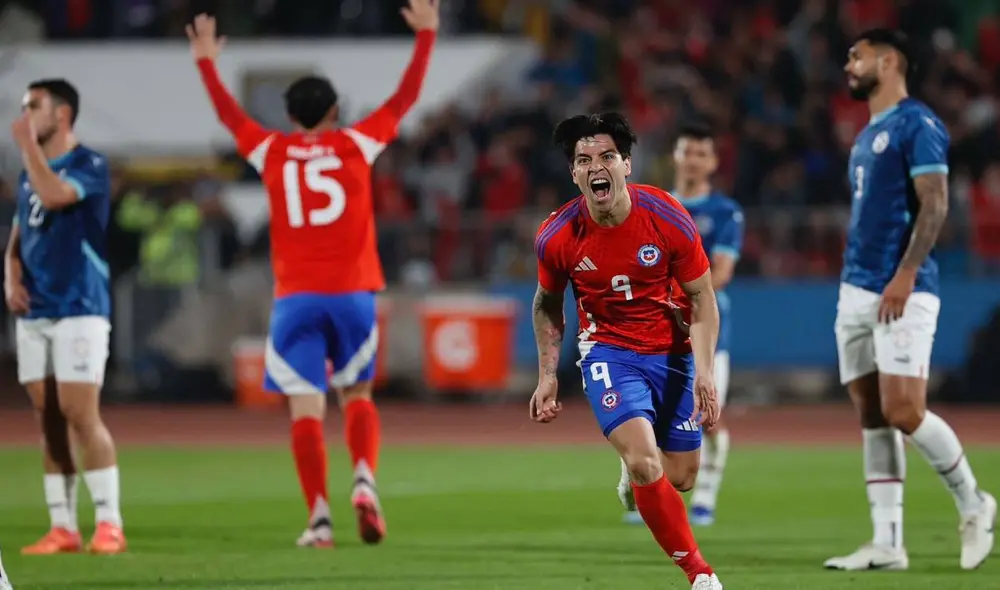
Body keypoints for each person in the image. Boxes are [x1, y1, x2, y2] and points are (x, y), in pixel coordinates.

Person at [187, 1, 437, 548]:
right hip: (353, 294)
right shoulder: (355, 143)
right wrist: (426, 37)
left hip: (295, 298)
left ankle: (319, 518)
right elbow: (405, 99)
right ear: (335, 110)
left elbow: (231, 118)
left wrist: (206, 62)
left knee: (305, 408)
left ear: (291, 115)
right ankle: (365, 480)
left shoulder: (272, 150)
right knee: (358, 394)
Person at [530, 112, 724, 590]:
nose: (597, 166)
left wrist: (704, 372)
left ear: (627, 164)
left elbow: (702, 296)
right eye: (584, 160)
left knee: (680, 478)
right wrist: (548, 373)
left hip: (672, 353)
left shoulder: (666, 215)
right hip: (608, 352)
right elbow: (546, 303)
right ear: (575, 174)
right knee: (645, 462)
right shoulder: (557, 236)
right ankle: (700, 575)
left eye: (607, 156)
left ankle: (635, 466)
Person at [825, 28, 995, 572]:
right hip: (855, 291)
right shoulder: (864, 135)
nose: (849, 65)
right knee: (874, 416)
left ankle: (974, 504)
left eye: (858, 55)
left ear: (889, 59)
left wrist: (905, 274)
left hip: (903, 289)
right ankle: (887, 542)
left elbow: (936, 204)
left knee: (904, 409)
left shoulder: (917, 123)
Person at [7, 79, 125, 555]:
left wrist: (26, 150)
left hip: (80, 306)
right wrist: (10, 278)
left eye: (33, 105)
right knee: (48, 419)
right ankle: (63, 527)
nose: (24, 113)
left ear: (62, 114)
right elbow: (19, 237)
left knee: (80, 412)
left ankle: (109, 523)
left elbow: (56, 196)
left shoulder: (89, 165)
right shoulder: (26, 175)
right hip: (36, 310)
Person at [619, 123, 744, 527]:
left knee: (706, 414)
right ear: (674, 155)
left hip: (702, 330)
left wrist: (671, 290)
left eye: (700, 153)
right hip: (654, 330)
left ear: (712, 162)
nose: (692, 160)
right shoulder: (649, 204)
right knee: (649, 415)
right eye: (686, 151)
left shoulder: (725, 212)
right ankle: (652, 487)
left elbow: (720, 273)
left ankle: (706, 495)